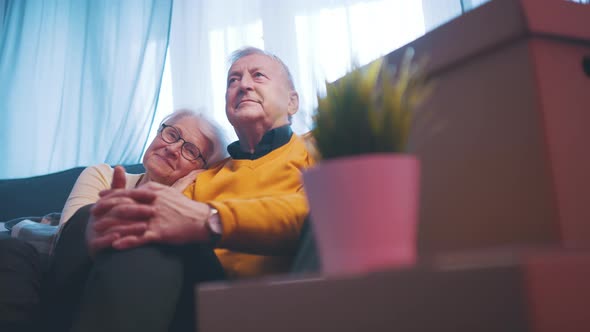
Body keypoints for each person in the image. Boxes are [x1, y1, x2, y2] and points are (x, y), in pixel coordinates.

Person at [45, 46, 314, 332]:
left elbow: (317, 216)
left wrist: (210, 218)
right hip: (189, 298)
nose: (243, 84)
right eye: (232, 80)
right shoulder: (207, 175)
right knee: (100, 218)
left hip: (262, 303)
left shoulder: (315, 149)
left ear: (292, 102)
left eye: (258, 76)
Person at [0, 109, 225, 332]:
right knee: (87, 216)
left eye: (190, 150)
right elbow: (70, 242)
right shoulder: (102, 175)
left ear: (200, 173)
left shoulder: (194, 209)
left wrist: (173, 195)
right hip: (65, 275)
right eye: (172, 134)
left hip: (124, 293)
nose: (173, 148)